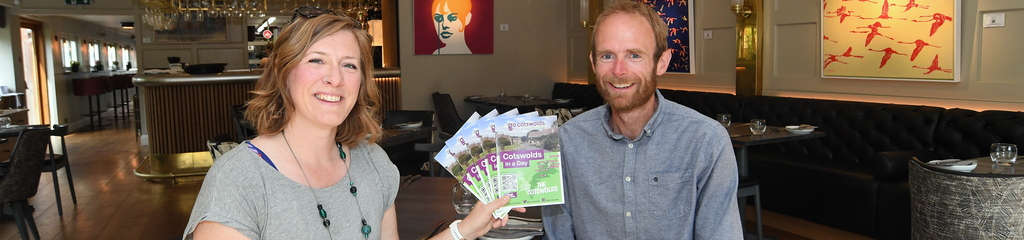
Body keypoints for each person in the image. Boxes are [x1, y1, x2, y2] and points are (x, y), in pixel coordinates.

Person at [183, 7, 520, 240]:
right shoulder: (239, 179)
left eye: (349, 65)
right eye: (316, 60)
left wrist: (466, 229)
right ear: (284, 75)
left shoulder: (373, 163)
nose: (335, 78)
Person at [541, 1, 743, 239]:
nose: (618, 70)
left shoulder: (706, 141)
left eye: (634, 55)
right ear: (594, 63)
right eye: (607, 56)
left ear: (662, 62)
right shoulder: (568, 141)